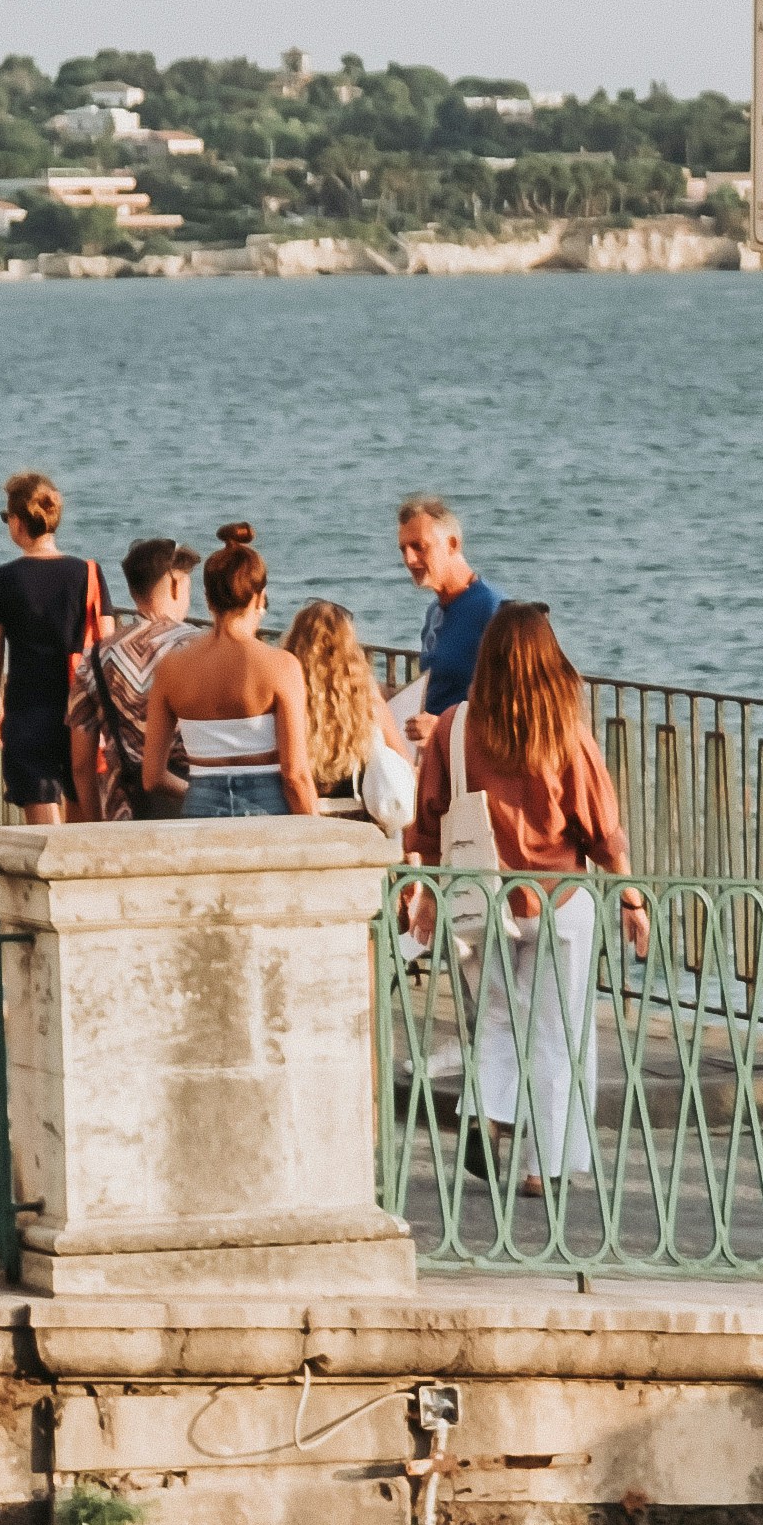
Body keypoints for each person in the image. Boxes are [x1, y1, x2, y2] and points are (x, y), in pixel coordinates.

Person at [409, 602, 648, 1206]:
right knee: (556, 1035)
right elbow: (603, 829)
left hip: (480, 900)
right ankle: (543, 1167)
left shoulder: (454, 727)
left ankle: (487, 1111)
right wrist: (632, 899)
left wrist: (425, 894)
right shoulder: (565, 734)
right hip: (557, 901)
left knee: (493, 1016)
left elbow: (429, 819)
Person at [142, 526, 319, 815]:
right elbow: (295, 775)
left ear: (208, 598)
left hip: (200, 802)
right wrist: (317, 833)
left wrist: (202, 793)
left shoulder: (170, 668)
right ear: (260, 597)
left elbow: (152, 777)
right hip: (267, 807)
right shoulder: (281, 666)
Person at [0, 474, 99, 828]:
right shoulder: (87, 573)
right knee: (81, 824)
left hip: (28, 711)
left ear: (18, 522)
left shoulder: (3, 580)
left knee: (44, 836)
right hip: (81, 710)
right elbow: (104, 645)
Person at [75, 538, 197, 812]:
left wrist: (96, 828)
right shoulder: (198, 648)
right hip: (193, 807)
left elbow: (81, 764)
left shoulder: (95, 658)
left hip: (127, 813)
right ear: (177, 585)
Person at [289, 601, 419, 833]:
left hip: (302, 815)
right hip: (361, 821)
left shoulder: (288, 692)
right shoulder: (365, 698)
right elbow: (404, 763)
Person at [397, 497, 500, 731]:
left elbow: (512, 704)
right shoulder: (434, 611)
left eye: (418, 547)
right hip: (438, 754)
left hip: (471, 756)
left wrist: (444, 728)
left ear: (452, 544)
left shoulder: (493, 609)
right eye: (403, 549)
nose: (409, 559)